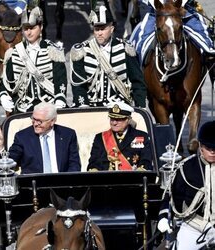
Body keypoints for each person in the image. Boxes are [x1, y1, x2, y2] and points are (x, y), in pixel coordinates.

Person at [69, 5, 147, 108]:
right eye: (97, 29)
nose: (99, 33)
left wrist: (140, 107)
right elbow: (78, 84)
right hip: (91, 106)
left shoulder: (125, 49)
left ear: (111, 29)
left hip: (119, 107)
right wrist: (83, 106)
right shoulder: (82, 50)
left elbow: (137, 81)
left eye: (103, 29)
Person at [157, 120, 215, 249]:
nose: (212, 152)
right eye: (208, 148)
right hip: (194, 226)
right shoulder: (186, 168)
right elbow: (171, 196)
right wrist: (163, 217)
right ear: (200, 146)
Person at [0, 6, 67, 113]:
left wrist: (60, 98)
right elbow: (6, 81)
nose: (29, 32)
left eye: (32, 28)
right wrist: (3, 95)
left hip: (49, 107)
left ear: (41, 27)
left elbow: (60, 79)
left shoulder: (53, 51)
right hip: (22, 109)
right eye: (26, 28)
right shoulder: (14, 52)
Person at [0, 102, 81, 174]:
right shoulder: (22, 137)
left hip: (61, 187)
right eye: (33, 119)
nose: (35, 124)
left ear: (52, 121)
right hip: (34, 188)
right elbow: (10, 164)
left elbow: (74, 164)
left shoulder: (67, 135)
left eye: (40, 121)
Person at [130, 0, 215, 65]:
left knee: (203, 37)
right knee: (142, 42)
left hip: (183, 12)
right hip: (157, 13)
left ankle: (210, 63)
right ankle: (139, 73)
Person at [87, 102, 153, 171]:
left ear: (128, 119)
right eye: (112, 119)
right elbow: (93, 163)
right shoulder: (100, 138)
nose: (114, 123)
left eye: (118, 119)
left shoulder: (141, 136)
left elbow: (146, 161)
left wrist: (140, 171)